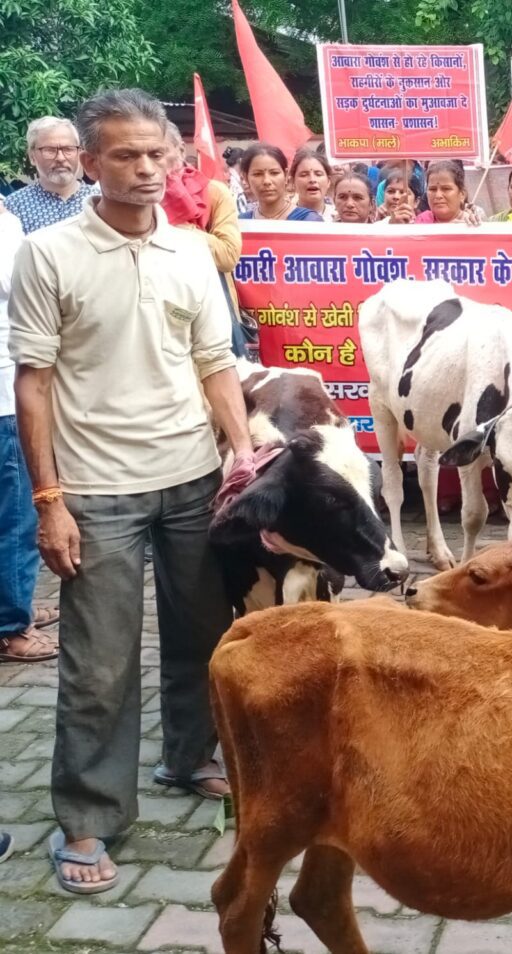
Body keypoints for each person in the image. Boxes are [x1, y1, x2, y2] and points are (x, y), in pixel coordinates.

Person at [9, 88, 253, 894]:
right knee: (99, 666)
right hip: (96, 491)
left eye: (158, 154)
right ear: (88, 163)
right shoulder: (50, 255)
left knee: (204, 639)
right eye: (125, 154)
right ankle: (89, 816)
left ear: (177, 159)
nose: (146, 168)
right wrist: (50, 502)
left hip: (192, 477)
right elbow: (34, 382)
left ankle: (189, 758)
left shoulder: (192, 252)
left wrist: (243, 456)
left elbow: (216, 363)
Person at [1, 196, 58, 664]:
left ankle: (14, 604)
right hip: (5, 396)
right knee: (17, 518)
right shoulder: (6, 223)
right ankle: (10, 627)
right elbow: (16, 284)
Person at [162, 124, 245, 357]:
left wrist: (175, 226)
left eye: (158, 152)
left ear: (179, 150)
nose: (150, 162)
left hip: (210, 306)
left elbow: (228, 256)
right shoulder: (138, 198)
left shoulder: (214, 192)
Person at [5, 117, 96, 234]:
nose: (60, 158)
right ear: (32, 156)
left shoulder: (99, 201)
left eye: (68, 149)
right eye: (50, 150)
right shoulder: (13, 207)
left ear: (79, 153)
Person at [238, 144, 322, 222]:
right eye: (257, 174)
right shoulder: (241, 222)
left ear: (286, 175)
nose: (267, 181)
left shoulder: (308, 220)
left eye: (274, 173)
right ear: (246, 178)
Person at [415, 161, 482, 224]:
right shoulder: (422, 222)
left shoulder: (471, 223)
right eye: (432, 189)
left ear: (462, 194)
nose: (438, 195)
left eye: (446, 189)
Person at [290, 148, 333, 219]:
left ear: (328, 181)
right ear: (293, 181)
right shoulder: (284, 218)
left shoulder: (340, 219)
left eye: (318, 174)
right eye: (304, 175)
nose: (312, 180)